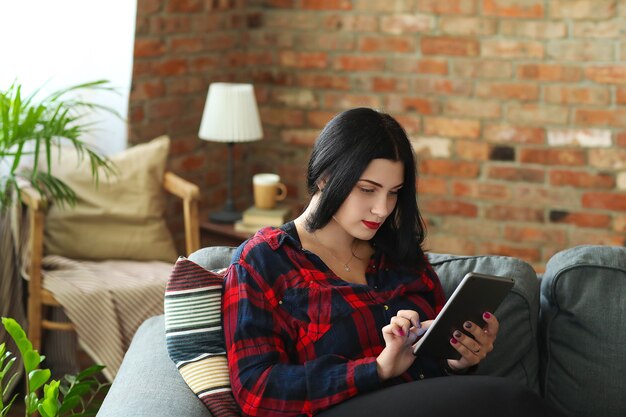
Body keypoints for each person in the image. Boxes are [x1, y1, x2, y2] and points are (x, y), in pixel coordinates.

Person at [222, 108, 564, 417]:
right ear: (325, 178)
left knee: (499, 400)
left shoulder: (399, 255)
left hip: (427, 401)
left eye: (394, 192)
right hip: (336, 408)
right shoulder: (263, 260)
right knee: (506, 399)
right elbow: (256, 390)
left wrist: (458, 359)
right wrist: (378, 368)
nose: (383, 209)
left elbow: (433, 362)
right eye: (368, 190)